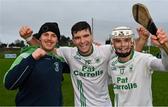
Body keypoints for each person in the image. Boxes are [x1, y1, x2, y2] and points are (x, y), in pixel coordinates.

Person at [19, 21, 149, 106]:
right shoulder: (68, 53)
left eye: (86, 36)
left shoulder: (105, 50)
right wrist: (29, 38)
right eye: (77, 37)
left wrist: (143, 38)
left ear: (91, 36)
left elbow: (128, 52)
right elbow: (45, 47)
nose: (82, 41)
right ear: (73, 40)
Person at [3, 22, 69, 106]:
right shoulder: (26, 56)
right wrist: (32, 58)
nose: (49, 38)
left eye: (53, 35)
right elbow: (9, 84)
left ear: (57, 40)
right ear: (40, 38)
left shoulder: (58, 60)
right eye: (46, 34)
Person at [108, 26, 168, 106]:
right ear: (113, 44)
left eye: (126, 40)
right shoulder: (111, 64)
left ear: (132, 42)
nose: (123, 45)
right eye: (118, 41)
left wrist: (163, 48)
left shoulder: (144, 59)